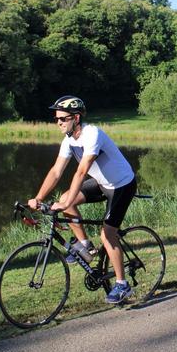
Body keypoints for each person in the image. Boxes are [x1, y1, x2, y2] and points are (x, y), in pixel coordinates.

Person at [28, 95, 138, 304]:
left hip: (121, 185)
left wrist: (67, 204)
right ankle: (86, 246)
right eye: (56, 119)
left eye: (63, 118)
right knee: (64, 197)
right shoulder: (69, 140)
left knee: (107, 234)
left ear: (76, 118)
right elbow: (56, 171)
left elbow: (81, 172)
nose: (58, 122)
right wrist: (38, 198)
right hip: (101, 182)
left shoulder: (92, 134)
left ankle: (122, 285)